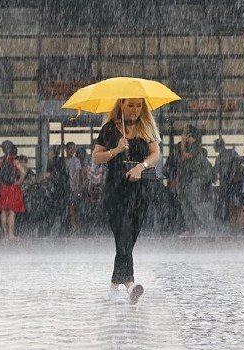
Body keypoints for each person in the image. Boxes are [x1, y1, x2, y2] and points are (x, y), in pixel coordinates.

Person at [92, 98, 161, 305]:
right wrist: (116, 150)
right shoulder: (109, 129)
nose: (135, 110)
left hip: (140, 192)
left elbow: (155, 153)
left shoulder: (146, 128)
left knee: (129, 239)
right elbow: (96, 158)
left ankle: (114, 286)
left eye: (139, 106)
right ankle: (130, 285)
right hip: (116, 191)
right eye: (130, 105)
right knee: (122, 233)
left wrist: (141, 167)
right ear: (121, 105)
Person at [0, 141, 26, 239]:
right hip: (12, 188)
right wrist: (19, 182)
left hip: (2, 188)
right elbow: (23, 172)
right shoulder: (14, 161)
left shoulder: (1, 161)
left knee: (3, 211)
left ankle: (5, 234)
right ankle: (11, 234)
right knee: (12, 211)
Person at [212, 138, 238, 223]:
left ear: (218, 146)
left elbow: (215, 172)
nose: (213, 148)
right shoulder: (233, 153)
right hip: (233, 183)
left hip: (227, 182)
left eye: (214, 146)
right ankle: (231, 219)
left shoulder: (219, 157)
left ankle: (225, 218)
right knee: (231, 202)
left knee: (225, 201)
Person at [64, 142, 81, 234]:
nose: (72, 150)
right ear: (66, 150)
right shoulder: (63, 160)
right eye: (70, 148)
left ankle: (74, 225)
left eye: (73, 148)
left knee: (72, 207)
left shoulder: (76, 161)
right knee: (68, 207)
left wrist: (76, 188)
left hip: (72, 187)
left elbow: (77, 175)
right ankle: (71, 226)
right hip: (64, 187)